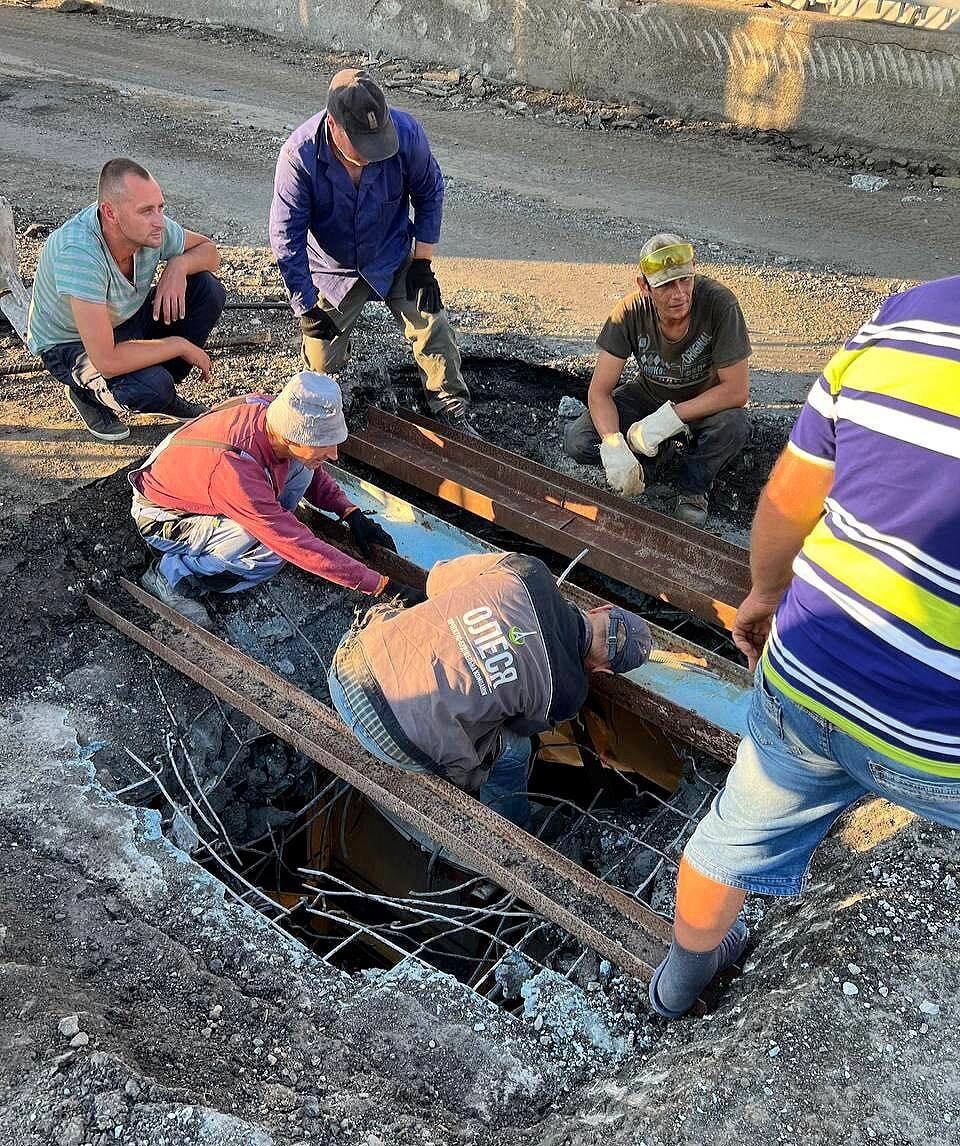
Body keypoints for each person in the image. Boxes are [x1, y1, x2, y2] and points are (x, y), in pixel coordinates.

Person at [649, 276, 960, 1018]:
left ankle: (675, 988)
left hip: (809, 671)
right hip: (938, 743)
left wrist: (763, 595)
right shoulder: (639, 318)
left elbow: (792, 497)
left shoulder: (911, 314)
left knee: (730, 839)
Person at [327, 550, 652, 827]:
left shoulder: (527, 571)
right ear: (605, 670)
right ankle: (511, 832)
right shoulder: (568, 694)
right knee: (515, 751)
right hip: (397, 742)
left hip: (349, 668)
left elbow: (436, 581)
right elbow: (514, 726)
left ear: (600, 610)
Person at [269, 68, 476, 435]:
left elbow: (430, 193)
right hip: (333, 270)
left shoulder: (407, 133)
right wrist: (305, 306)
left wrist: (423, 266)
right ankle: (321, 416)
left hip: (391, 253)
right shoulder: (299, 156)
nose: (373, 151)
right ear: (334, 125)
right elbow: (287, 239)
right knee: (320, 359)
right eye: (363, 142)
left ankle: (451, 408)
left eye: (377, 137)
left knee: (432, 324)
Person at [129, 371, 422, 628]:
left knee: (304, 470)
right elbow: (293, 543)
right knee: (270, 552)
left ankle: (261, 522)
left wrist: (349, 512)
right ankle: (171, 576)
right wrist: (381, 585)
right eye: (324, 446)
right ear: (294, 438)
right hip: (163, 517)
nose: (333, 455)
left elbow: (310, 465)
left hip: (199, 486)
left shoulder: (275, 415)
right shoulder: (235, 470)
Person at [27, 157, 225, 443]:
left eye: (160, 207)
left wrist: (178, 267)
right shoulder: (79, 253)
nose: (159, 221)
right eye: (146, 211)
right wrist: (178, 345)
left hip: (124, 318)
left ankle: (163, 389)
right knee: (149, 388)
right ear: (110, 212)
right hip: (72, 344)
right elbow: (106, 359)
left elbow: (210, 252)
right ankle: (86, 392)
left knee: (206, 288)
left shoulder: (151, 228)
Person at [564, 233, 751, 527]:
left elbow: (737, 391)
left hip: (703, 402)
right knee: (579, 441)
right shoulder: (629, 312)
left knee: (734, 425)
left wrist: (667, 420)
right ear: (644, 286)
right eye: (665, 285)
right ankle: (652, 460)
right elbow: (600, 392)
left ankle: (692, 488)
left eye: (684, 280)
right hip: (649, 394)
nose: (678, 294)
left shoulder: (719, 304)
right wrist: (613, 444)